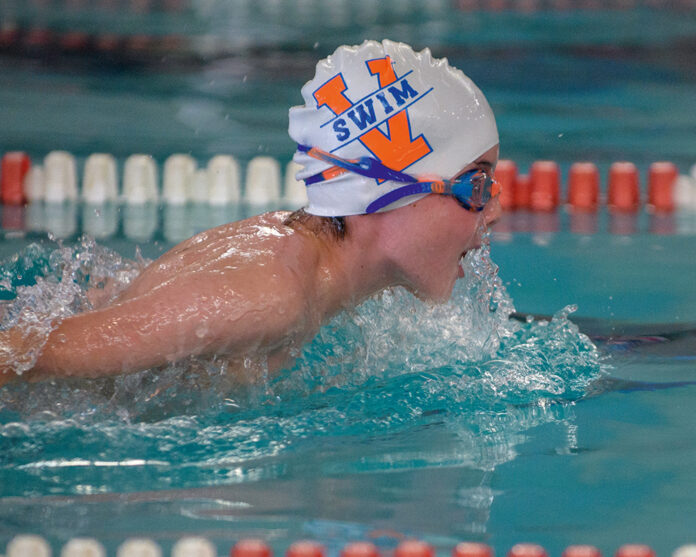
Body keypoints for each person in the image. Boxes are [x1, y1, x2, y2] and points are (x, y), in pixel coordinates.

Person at [0, 39, 501, 387]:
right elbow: (25, 355)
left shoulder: (294, 253)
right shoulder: (270, 297)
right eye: (477, 184)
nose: (495, 210)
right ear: (392, 190)